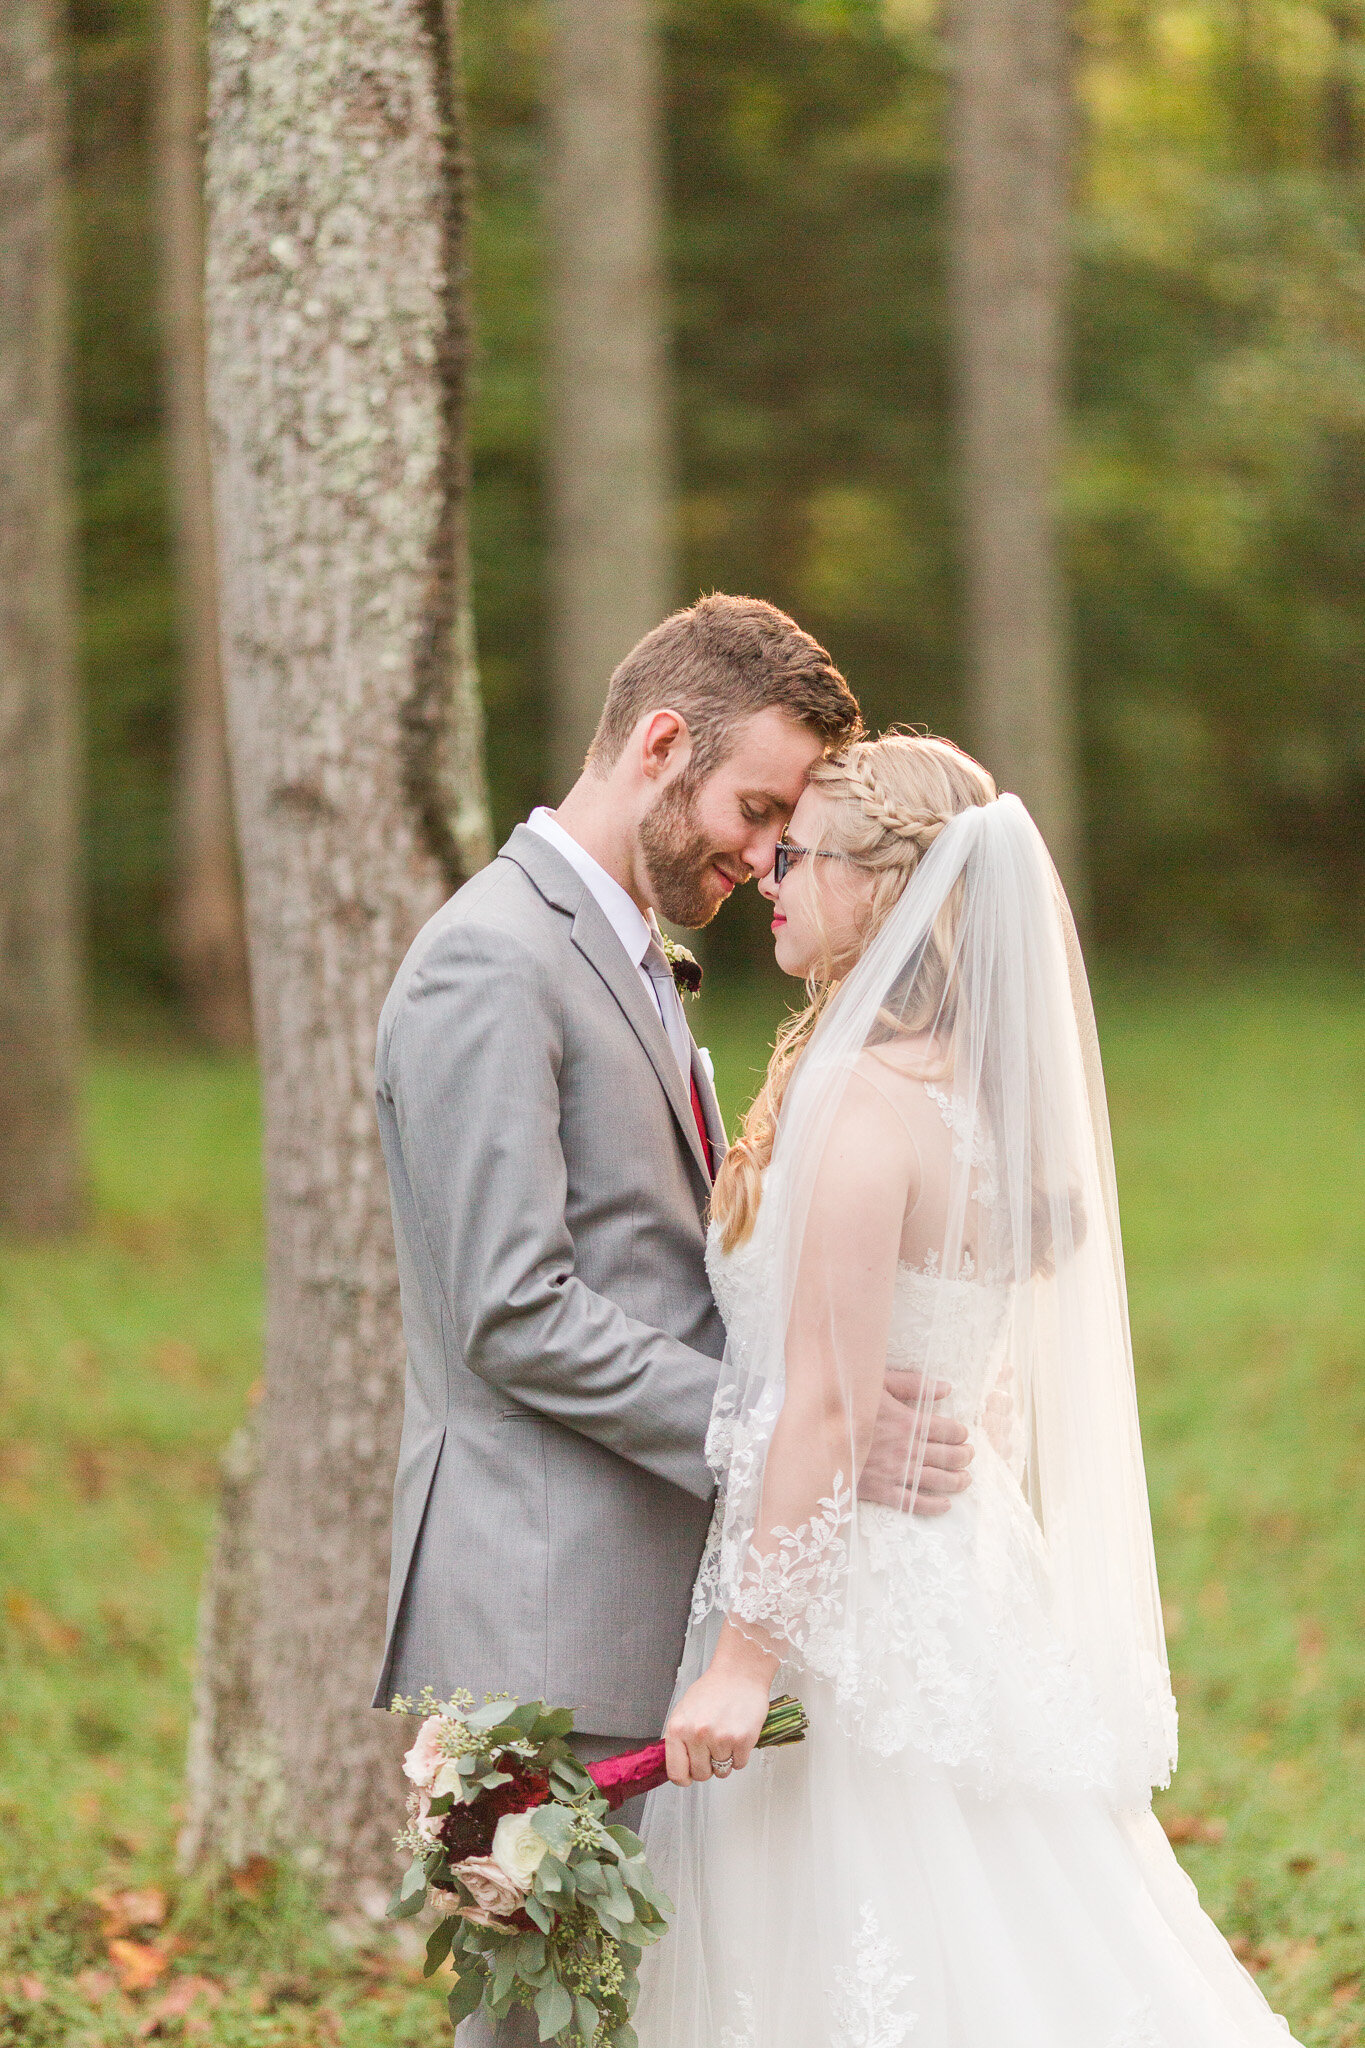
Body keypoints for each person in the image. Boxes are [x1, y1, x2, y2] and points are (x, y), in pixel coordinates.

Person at [636, 732, 1302, 2048]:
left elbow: (824, 1406)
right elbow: (970, 1386)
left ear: (880, 890)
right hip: (961, 1568)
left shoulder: (860, 1103)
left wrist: (741, 1663)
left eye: (804, 855)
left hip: (841, 1604)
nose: (772, 871)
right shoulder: (976, 1097)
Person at [369, 599, 974, 2046]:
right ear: (658, 746)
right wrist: (777, 1439)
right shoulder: (489, 961)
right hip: (545, 1596)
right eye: (757, 808)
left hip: (646, 1577)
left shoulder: (623, 954)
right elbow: (513, 1313)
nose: (767, 855)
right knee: (545, 2026)